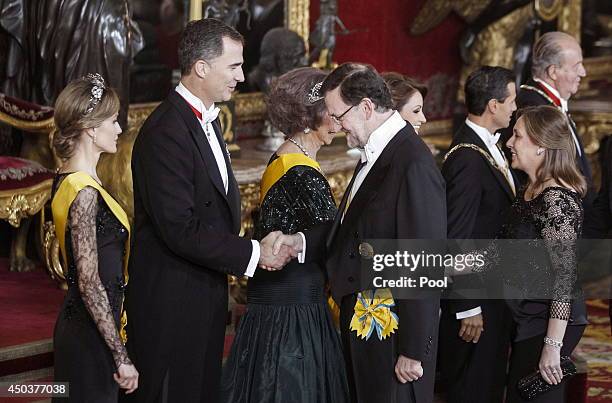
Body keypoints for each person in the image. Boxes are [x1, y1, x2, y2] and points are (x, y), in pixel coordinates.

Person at [125, 19, 291, 403]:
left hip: (203, 289)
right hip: (172, 299)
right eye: (233, 66)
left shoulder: (206, 119)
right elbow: (180, 228)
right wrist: (253, 252)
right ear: (201, 67)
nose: (242, 75)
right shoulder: (166, 131)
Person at [273, 63, 446, 403]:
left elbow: (424, 260)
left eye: (339, 115)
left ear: (367, 107)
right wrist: (299, 242)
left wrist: (413, 349)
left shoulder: (412, 161)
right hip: (366, 327)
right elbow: (351, 228)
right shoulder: (378, 150)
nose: (335, 126)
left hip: (393, 338)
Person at [220, 67, 349, 402]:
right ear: (311, 115)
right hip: (293, 314)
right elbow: (333, 238)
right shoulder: (301, 171)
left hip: (280, 305)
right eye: (332, 109)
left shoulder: (287, 157)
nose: (337, 117)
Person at [50, 74, 138, 401]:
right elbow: (88, 281)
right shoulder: (83, 192)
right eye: (114, 121)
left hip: (92, 328)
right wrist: (120, 355)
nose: (119, 129)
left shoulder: (71, 180)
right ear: (91, 128)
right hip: (90, 337)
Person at [438, 66, 517, 403]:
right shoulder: (467, 159)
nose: (516, 108)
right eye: (512, 100)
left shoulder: (487, 147)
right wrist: (468, 305)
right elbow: (457, 236)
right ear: (494, 105)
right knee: (474, 387)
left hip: (494, 291)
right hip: (477, 301)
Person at [503, 105, 588, 402]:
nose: (509, 143)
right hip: (531, 314)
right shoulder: (532, 189)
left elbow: (564, 279)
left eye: (518, 136)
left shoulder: (556, 200)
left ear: (541, 145)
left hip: (551, 319)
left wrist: (553, 345)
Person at [508, 31, 592, 203]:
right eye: (577, 66)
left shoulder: (546, 102)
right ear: (553, 71)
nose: (583, 72)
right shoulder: (533, 109)